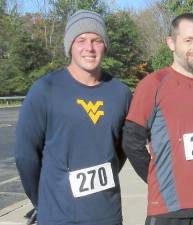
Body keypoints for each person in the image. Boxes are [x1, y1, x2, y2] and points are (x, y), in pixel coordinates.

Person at [14, 9, 131, 225]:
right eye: (81, 40)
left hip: (108, 216)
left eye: (97, 40)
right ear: (69, 45)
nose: (89, 48)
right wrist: (43, 202)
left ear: (105, 45)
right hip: (59, 217)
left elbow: (121, 151)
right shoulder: (45, 90)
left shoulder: (120, 93)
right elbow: (25, 156)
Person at [122, 13, 193, 225]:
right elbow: (131, 141)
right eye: (189, 40)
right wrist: (157, 180)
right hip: (169, 211)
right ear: (171, 43)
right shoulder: (153, 84)